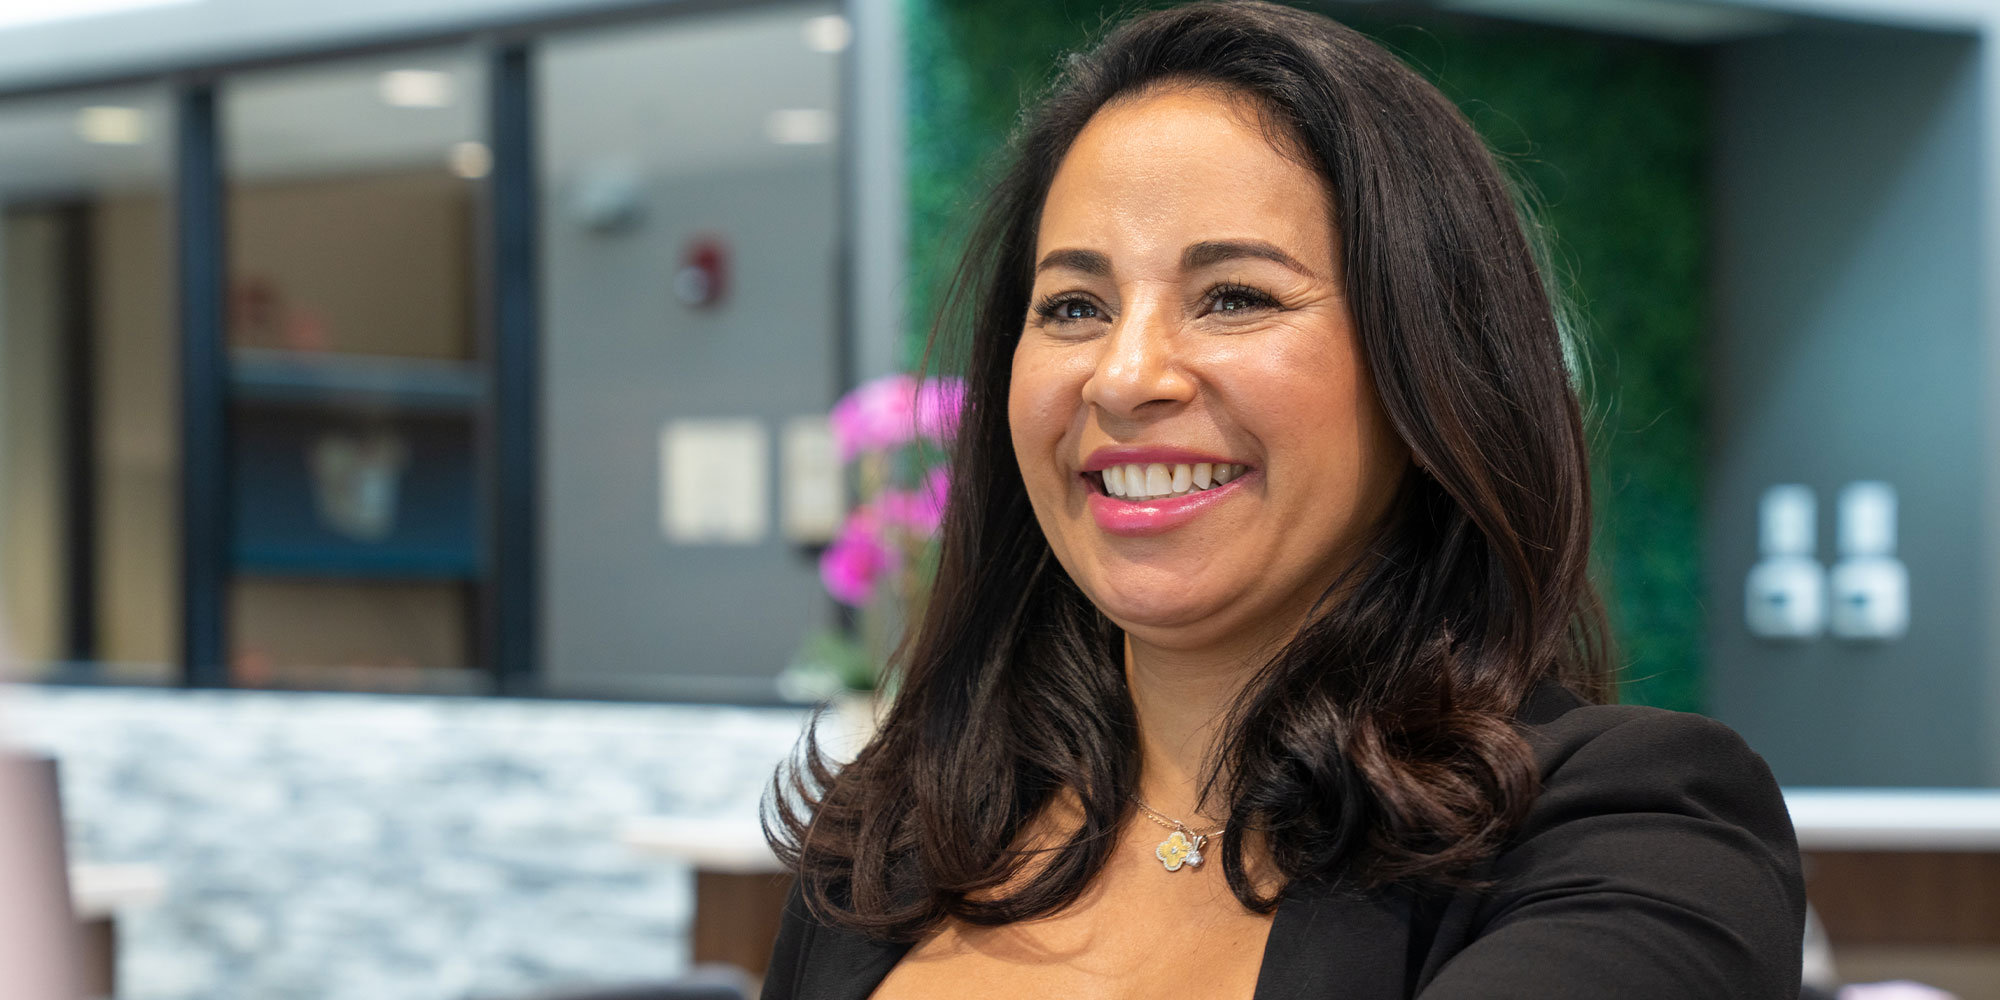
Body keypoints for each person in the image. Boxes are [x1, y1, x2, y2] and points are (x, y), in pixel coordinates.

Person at [763, 2, 1805, 997]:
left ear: (1426, 373)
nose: (1124, 376)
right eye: (1074, 305)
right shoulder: (900, 833)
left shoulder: (1633, 835)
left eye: (1234, 297)